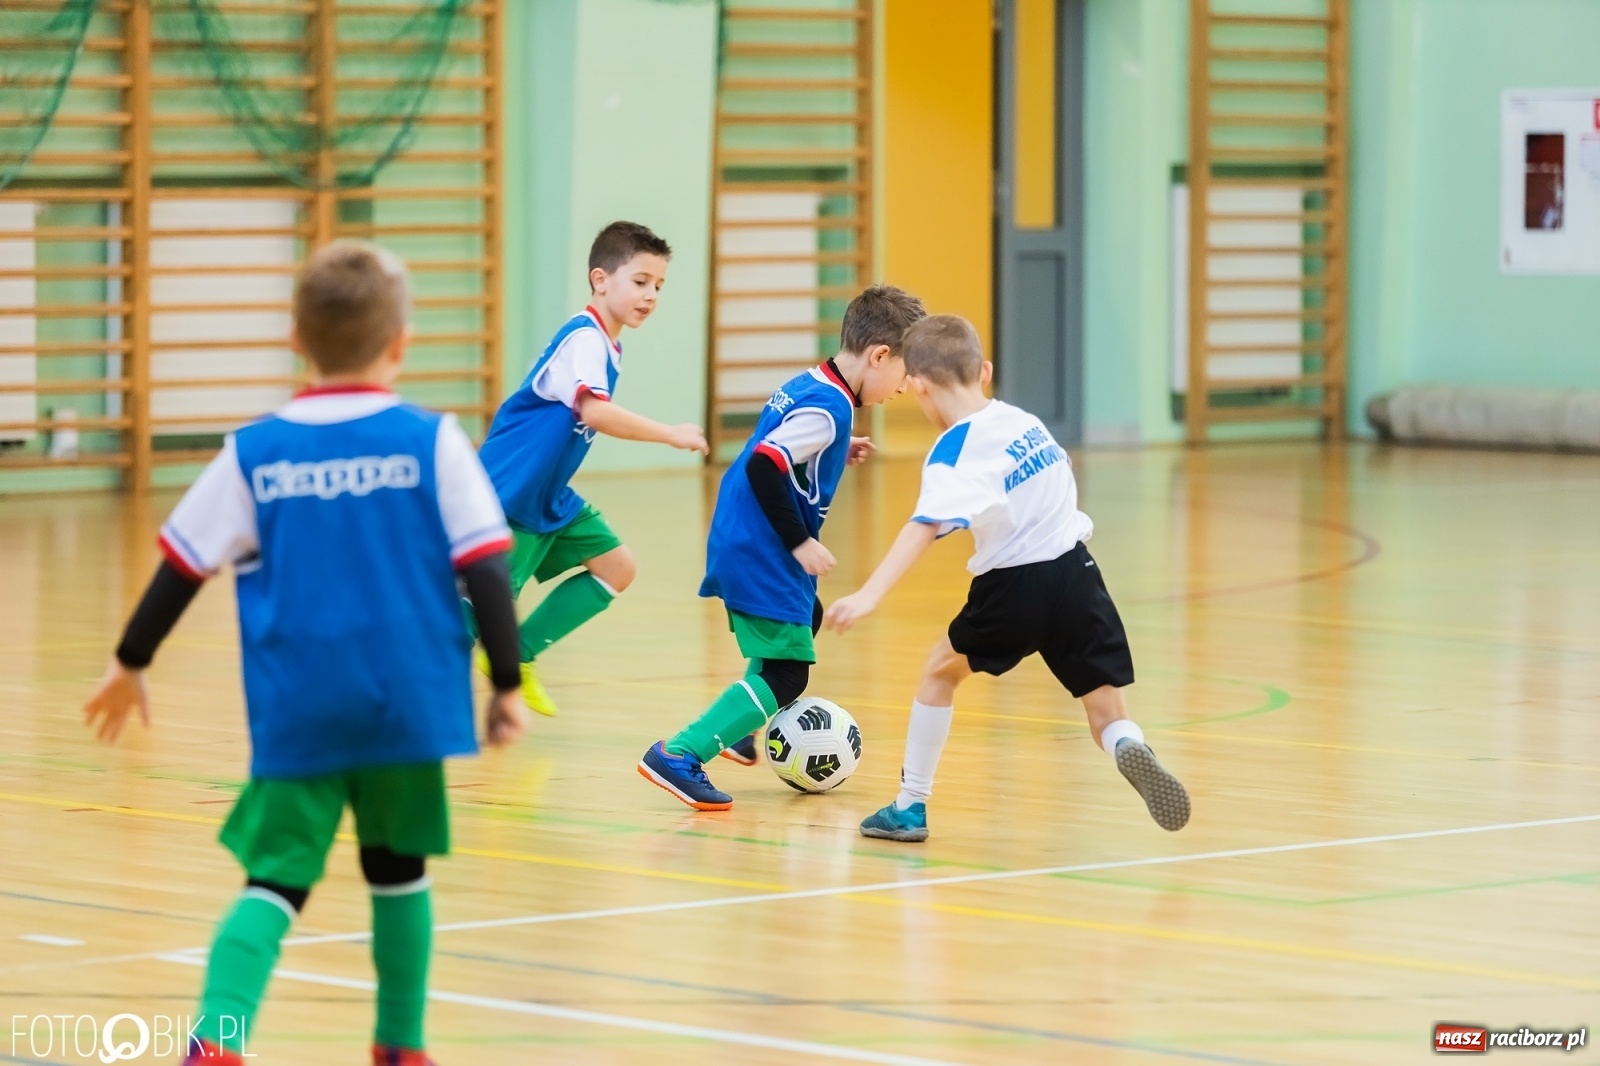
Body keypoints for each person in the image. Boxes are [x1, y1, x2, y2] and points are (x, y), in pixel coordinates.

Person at [81, 241, 528, 1066]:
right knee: (399, 873)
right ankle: (400, 1044)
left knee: (274, 884)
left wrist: (128, 661)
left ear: (294, 338)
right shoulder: (432, 441)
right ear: (401, 343)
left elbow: (181, 566)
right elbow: (486, 567)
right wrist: (506, 682)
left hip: (301, 710)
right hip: (405, 705)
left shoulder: (253, 452)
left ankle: (216, 1042)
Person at [823, 314, 1190, 842]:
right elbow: (1051, 476)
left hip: (1014, 587)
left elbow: (923, 526)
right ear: (985, 371)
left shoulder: (952, 451)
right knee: (1105, 710)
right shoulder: (1025, 423)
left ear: (918, 386)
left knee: (939, 672)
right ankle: (1128, 744)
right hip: (1078, 574)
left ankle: (909, 806)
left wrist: (868, 594)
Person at [638, 285, 927, 809]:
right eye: (905, 373)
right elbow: (764, 463)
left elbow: (785, 438)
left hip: (743, 533)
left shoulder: (815, 384)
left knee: (806, 618)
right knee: (788, 675)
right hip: (763, 545)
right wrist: (799, 542)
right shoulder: (831, 408)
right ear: (879, 356)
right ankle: (679, 753)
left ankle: (741, 729)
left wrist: (836, 447)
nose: (904, 387)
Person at [474, 220, 708, 716]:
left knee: (617, 567)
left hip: (548, 495)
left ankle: (517, 654)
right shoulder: (584, 339)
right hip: (511, 493)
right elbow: (594, 412)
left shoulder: (606, 343)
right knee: (475, 612)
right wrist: (670, 433)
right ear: (600, 280)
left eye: (659, 286)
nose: (651, 295)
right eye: (640, 281)